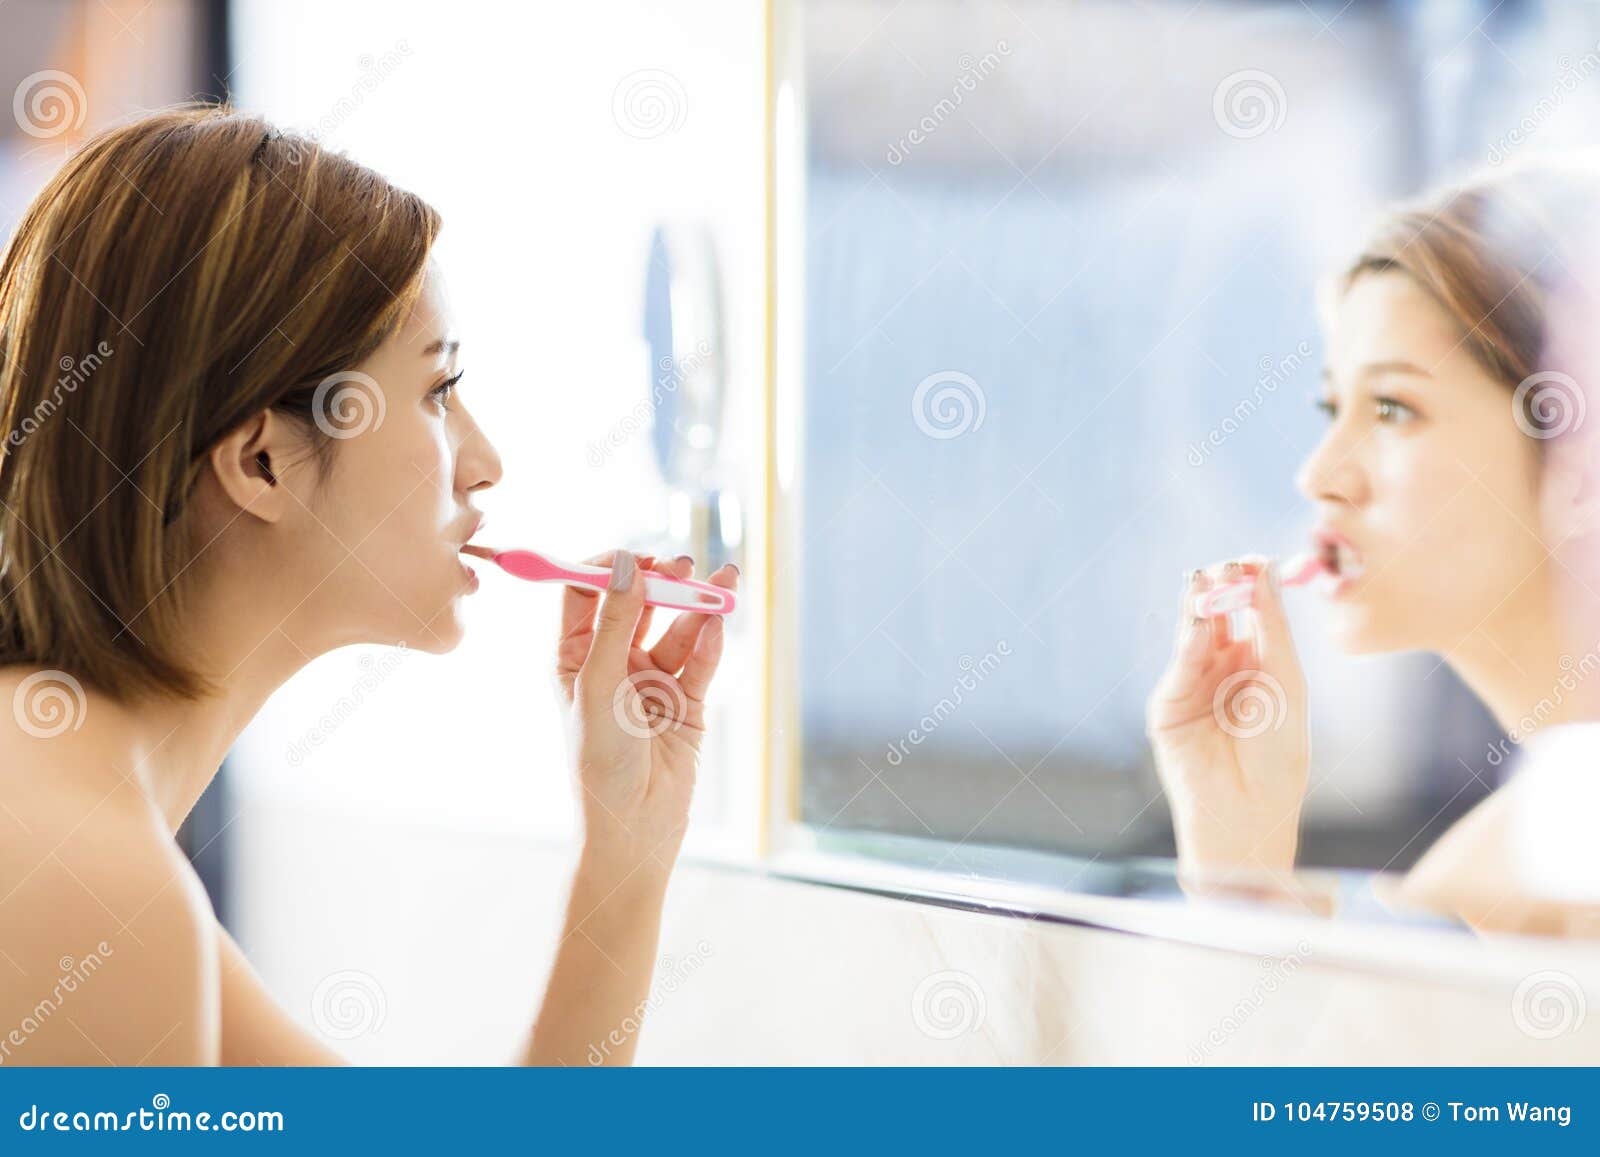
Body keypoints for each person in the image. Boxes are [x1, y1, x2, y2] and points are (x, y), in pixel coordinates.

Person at [0, 105, 737, 1063]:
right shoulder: (87, 889)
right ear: (262, 462)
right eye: (437, 391)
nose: (484, 462)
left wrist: (627, 853)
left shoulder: (77, 833)